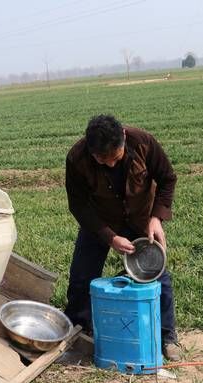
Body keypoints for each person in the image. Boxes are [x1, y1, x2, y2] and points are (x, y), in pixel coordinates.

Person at [64, 114, 181, 361]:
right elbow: (79, 205)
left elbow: (168, 178)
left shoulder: (143, 143)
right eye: (101, 160)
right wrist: (109, 237)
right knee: (81, 278)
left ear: (123, 139)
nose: (108, 165)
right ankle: (77, 331)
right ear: (89, 147)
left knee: (156, 275)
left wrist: (156, 218)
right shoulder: (77, 158)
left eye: (114, 158)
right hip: (99, 222)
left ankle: (167, 336)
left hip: (140, 218)